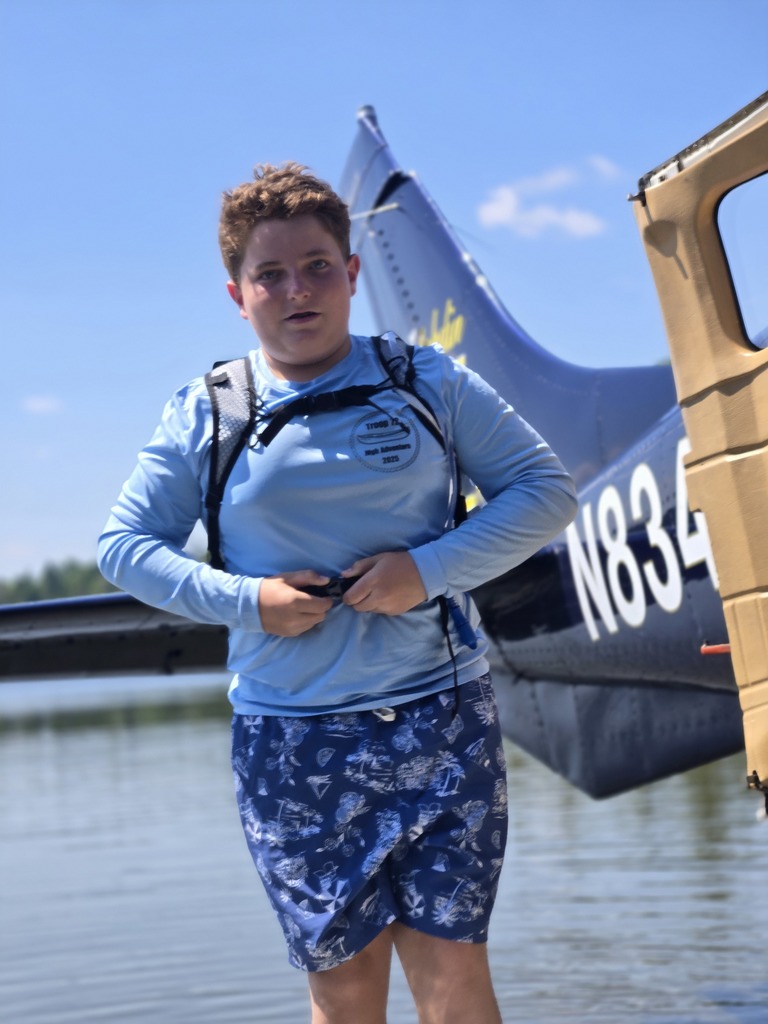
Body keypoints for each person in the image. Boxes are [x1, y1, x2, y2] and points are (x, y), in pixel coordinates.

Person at [98, 162, 577, 1024]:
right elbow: (124, 549)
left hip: (442, 713)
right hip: (292, 739)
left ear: (353, 274)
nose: (297, 289)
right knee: (345, 990)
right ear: (237, 294)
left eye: (318, 265)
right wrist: (251, 602)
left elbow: (546, 492)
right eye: (270, 274)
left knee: (454, 974)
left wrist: (427, 570)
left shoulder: (426, 382)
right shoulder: (208, 413)